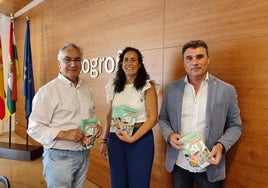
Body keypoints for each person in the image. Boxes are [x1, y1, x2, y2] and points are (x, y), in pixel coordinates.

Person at [158, 40, 243, 188]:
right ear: (184, 62)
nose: (194, 62)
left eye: (199, 57)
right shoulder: (171, 89)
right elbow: (163, 118)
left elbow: (236, 126)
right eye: (189, 58)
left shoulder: (226, 90)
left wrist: (221, 146)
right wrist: (170, 136)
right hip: (179, 164)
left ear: (208, 59)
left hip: (210, 165)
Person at [27, 43, 102, 188]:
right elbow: (34, 128)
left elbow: (90, 112)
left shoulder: (86, 87)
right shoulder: (47, 92)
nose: (73, 64)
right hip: (58, 157)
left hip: (84, 153)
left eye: (77, 59)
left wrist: (96, 124)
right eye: (67, 59)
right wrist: (63, 134)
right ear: (59, 63)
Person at [101, 47, 158, 188]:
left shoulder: (147, 86)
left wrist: (132, 138)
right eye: (125, 60)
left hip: (140, 140)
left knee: (139, 182)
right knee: (118, 181)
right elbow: (109, 115)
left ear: (140, 64)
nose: (129, 63)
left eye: (133, 60)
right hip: (116, 138)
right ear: (121, 64)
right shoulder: (113, 86)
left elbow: (153, 118)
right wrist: (104, 140)